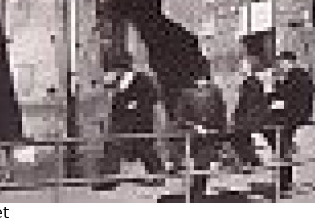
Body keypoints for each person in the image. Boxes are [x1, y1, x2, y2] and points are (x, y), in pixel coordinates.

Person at [102, 54, 165, 184]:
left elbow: (152, 98)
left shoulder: (143, 80)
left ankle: (158, 176)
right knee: (113, 146)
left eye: (116, 69)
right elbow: (116, 101)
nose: (114, 72)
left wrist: (135, 104)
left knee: (145, 148)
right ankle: (109, 179)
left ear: (124, 69)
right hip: (122, 121)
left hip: (141, 121)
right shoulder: (118, 82)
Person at [173, 68, 228, 200]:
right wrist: (194, 126)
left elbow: (221, 113)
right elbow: (180, 116)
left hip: (211, 135)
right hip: (194, 136)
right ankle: (196, 191)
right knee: (197, 164)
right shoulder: (187, 94)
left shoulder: (215, 92)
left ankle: (199, 191)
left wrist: (220, 133)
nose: (201, 82)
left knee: (205, 164)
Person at [267, 51, 315, 194]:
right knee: (281, 146)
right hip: (291, 115)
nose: (279, 67)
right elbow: (281, 95)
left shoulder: (298, 77)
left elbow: (291, 99)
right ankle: (284, 182)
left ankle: (285, 184)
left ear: (289, 62)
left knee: (281, 146)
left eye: (281, 63)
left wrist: (279, 101)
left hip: (293, 117)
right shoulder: (293, 76)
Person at [227, 56, 270, 174]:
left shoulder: (251, 83)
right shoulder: (250, 82)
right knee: (239, 136)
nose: (240, 69)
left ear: (248, 69)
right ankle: (250, 160)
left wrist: (238, 118)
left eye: (242, 67)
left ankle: (251, 160)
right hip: (250, 117)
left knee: (235, 135)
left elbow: (250, 104)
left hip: (252, 118)